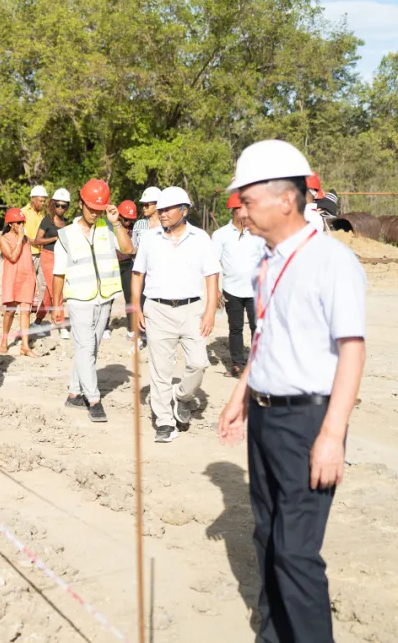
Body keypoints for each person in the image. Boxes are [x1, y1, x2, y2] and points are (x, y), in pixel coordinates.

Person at [217, 139, 366, 643]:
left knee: (296, 551)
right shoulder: (269, 260)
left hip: (308, 423)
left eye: (249, 199)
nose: (242, 209)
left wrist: (331, 436)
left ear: (286, 198)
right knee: (266, 536)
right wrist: (241, 395)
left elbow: (352, 351)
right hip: (264, 417)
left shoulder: (331, 262)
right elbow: (265, 337)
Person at [131, 186, 220, 443]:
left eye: (168, 209)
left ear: (184, 210)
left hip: (193, 310)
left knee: (199, 362)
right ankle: (164, 422)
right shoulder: (149, 239)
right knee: (160, 369)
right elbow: (138, 274)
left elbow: (212, 276)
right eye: (160, 210)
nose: (163, 214)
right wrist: (136, 306)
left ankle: (181, 397)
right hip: (157, 309)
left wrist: (210, 312)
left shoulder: (201, 238)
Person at [49, 179, 132, 423]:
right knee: (85, 348)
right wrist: (56, 305)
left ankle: (74, 394)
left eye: (100, 209)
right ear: (81, 203)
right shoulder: (66, 235)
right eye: (91, 208)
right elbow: (58, 273)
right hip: (78, 299)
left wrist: (117, 223)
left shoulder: (108, 228)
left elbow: (127, 250)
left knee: (91, 348)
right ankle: (93, 399)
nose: (95, 213)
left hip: (104, 298)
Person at [211, 192, 265, 376]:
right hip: (231, 290)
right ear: (234, 210)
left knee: (257, 328)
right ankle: (237, 365)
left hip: (255, 290)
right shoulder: (221, 235)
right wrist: (217, 290)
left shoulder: (257, 233)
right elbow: (213, 264)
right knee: (235, 328)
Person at [0, 208, 39, 357]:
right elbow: (13, 257)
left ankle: (25, 345)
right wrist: (19, 240)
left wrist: (34, 282)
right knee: (9, 311)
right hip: (11, 278)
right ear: (10, 224)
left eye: (22, 222)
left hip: (26, 278)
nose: (21, 225)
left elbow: (30, 260)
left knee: (26, 312)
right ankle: (4, 341)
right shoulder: (3, 239)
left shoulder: (26, 238)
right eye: (18, 222)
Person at [33, 188, 69, 332]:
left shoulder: (66, 222)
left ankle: (36, 322)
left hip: (62, 257)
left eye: (64, 205)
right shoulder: (47, 220)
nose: (60, 208)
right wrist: (55, 238)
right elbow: (37, 240)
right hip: (48, 256)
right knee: (57, 290)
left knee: (49, 294)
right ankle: (60, 324)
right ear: (53, 204)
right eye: (58, 205)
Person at [129, 186, 162, 340]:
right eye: (142, 204)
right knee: (140, 302)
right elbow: (133, 248)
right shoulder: (138, 225)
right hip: (141, 272)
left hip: (159, 272)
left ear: (157, 205)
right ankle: (141, 335)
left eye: (147, 204)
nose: (144, 208)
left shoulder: (166, 225)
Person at [114, 200, 138, 338]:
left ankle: (131, 328)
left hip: (127, 263)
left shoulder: (135, 229)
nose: (128, 222)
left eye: (131, 219)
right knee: (108, 297)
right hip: (112, 264)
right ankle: (104, 327)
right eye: (125, 219)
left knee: (130, 296)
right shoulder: (111, 226)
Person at [23, 185, 49, 310]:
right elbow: (20, 232)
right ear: (33, 199)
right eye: (40, 201)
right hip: (29, 252)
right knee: (29, 281)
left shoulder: (43, 214)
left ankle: (40, 307)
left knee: (43, 282)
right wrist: (32, 241)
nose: (43, 203)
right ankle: (27, 305)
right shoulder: (23, 212)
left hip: (42, 252)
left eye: (44, 201)